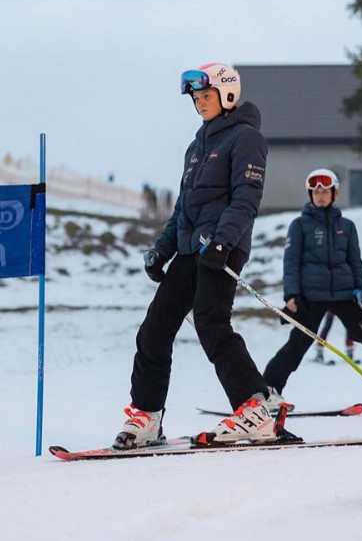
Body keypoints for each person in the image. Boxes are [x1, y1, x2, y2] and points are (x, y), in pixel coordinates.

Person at [114, 62, 275, 449]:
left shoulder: (246, 138)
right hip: (189, 250)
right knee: (154, 329)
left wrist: (222, 242)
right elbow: (183, 209)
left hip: (221, 248)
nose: (200, 103)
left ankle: (254, 409)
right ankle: (147, 416)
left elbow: (246, 200)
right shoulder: (197, 146)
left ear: (228, 95)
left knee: (210, 322)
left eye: (206, 96)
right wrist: (162, 249)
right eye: (196, 98)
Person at [263, 168, 362, 412]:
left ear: (335, 193)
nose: (320, 196)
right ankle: (269, 389)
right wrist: (291, 295)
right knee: (298, 344)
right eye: (315, 192)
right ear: (310, 195)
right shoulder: (299, 226)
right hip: (312, 295)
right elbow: (291, 262)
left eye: (325, 191)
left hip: (345, 294)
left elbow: (356, 262)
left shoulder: (347, 227)